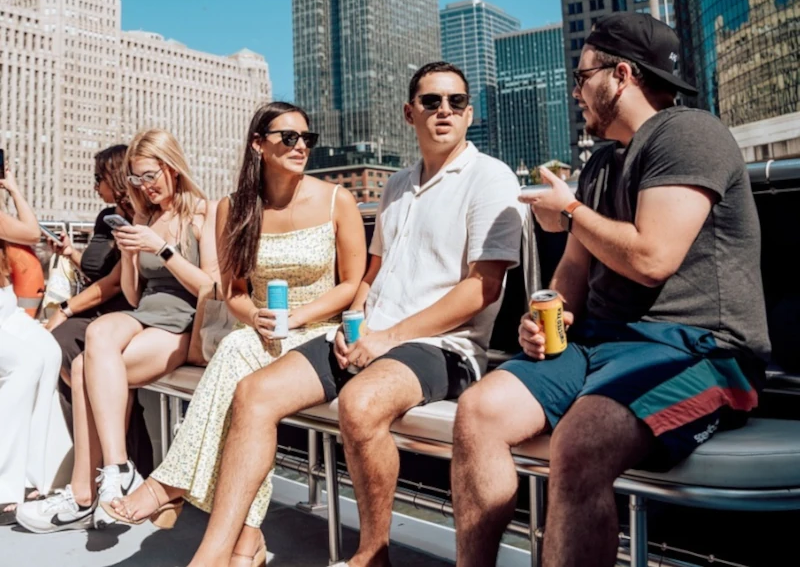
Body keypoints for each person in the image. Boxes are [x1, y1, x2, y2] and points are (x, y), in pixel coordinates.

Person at [450, 12, 771, 567]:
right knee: (477, 412)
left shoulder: (689, 134)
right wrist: (544, 313)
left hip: (704, 351)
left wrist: (571, 210)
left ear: (621, 75)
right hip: (600, 344)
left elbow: (652, 257)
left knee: (579, 444)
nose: (576, 91)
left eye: (582, 77)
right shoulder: (602, 163)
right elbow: (575, 265)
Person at [183, 61, 526, 567]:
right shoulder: (396, 186)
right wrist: (358, 323)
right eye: (431, 102)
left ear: (470, 113)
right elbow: (371, 274)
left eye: (455, 102)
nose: (444, 111)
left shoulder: (489, 177)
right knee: (254, 394)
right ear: (411, 113)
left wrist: (386, 338)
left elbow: (482, 288)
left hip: (446, 346)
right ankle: (214, 553)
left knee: (360, 404)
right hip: (373, 337)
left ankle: (371, 554)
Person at [104, 101, 367, 565]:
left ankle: (172, 484)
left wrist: (301, 316)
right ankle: (245, 541)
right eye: (288, 137)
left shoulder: (336, 200)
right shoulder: (233, 208)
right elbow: (235, 291)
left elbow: (351, 283)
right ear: (258, 145)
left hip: (322, 332)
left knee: (241, 370)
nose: (300, 146)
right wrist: (255, 317)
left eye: (308, 138)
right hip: (264, 331)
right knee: (243, 366)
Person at [17, 129, 217, 534]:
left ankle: (84, 494)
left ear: (171, 167)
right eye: (137, 179)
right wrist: (128, 256)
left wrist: (162, 249)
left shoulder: (202, 212)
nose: (145, 186)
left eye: (150, 175)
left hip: (184, 323)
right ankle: (117, 468)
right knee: (96, 337)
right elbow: (131, 293)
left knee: (89, 371)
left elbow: (210, 287)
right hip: (145, 313)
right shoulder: (144, 216)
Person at [45, 144, 153, 477]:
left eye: (98, 177)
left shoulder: (137, 218)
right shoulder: (105, 218)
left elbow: (116, 284)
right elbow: (100, 273)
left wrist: (64, 309)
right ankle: (88, 463)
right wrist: (70, 254)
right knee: (56, 353)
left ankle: (122, 463)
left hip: (121, 311)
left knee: (60, 345)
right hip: (96, 309)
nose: (94, 186)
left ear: (115, 177)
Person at [0, 170, 69, 523]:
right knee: (24, 362)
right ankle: (3, 487)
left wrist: (12, 188)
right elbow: (30, 231)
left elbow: (31, 231)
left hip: (5, 307)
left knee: (49, 351)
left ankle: (32, 476)